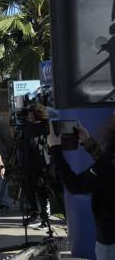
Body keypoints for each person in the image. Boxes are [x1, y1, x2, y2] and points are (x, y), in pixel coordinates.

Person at [47, 120, 115, 260]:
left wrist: (55, 150)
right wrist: (89, 143)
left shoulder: (108, 165)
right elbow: (107, 168)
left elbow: (75, 185)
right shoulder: (108, 164)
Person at [20, 103, 51, 230]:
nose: (28, 115)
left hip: (41, 165)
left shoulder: (45, 127)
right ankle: (36, 213)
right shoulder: (27, 128)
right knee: (29, 189)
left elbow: (42, 148)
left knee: (42, 192)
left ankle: (46, 219)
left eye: (30, 113)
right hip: (28, 165)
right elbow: (22, 146)